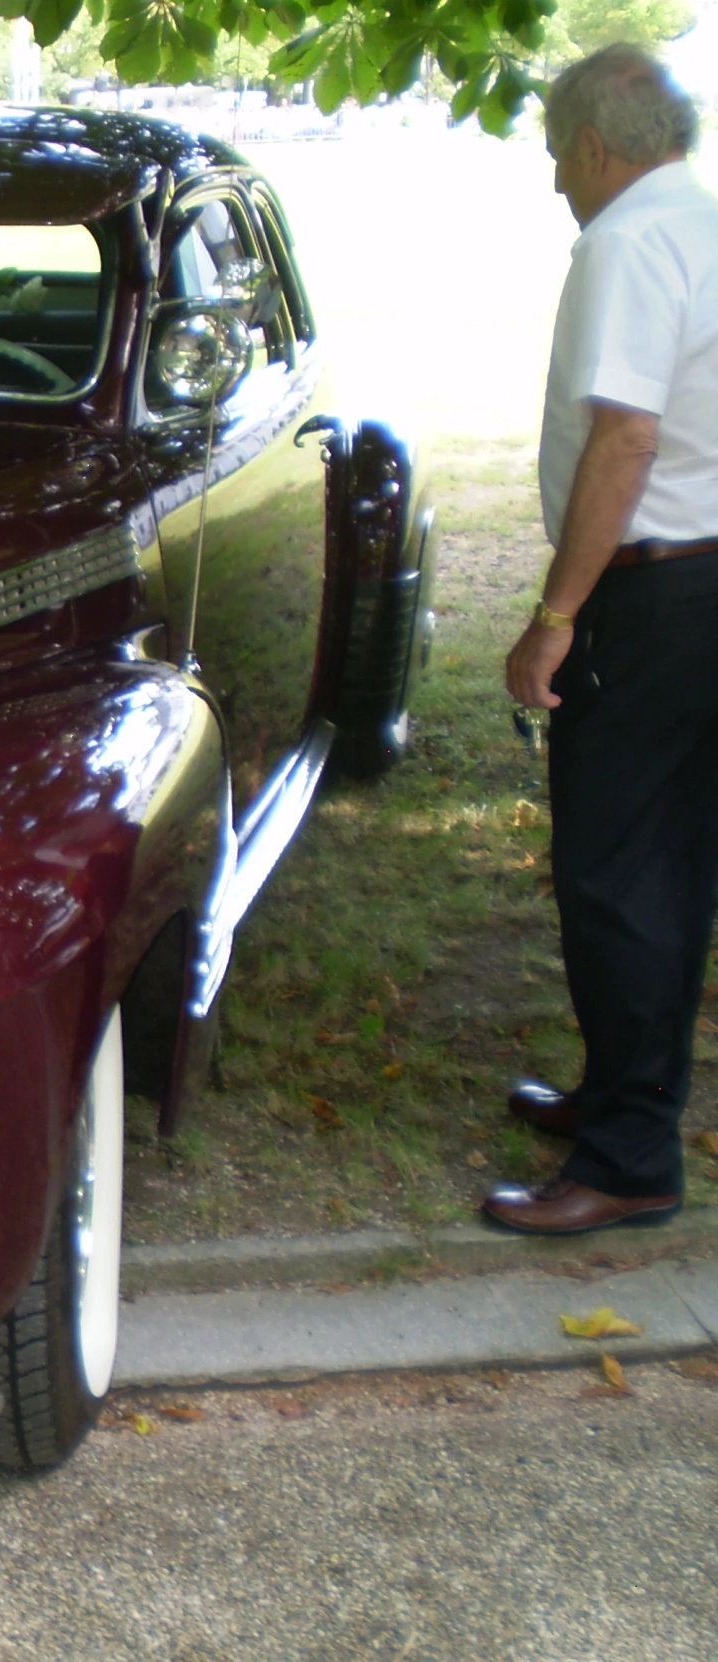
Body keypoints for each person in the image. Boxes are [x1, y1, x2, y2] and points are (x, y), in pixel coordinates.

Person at [490, 46, 718, 1235]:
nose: (552, 183)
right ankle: (619, 1099)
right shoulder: (703, 221)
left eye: (549, 155)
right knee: (672, 866)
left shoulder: (626, 241)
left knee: (615, 873)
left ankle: (628, 1158)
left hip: (650, 593)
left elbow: (622, 440)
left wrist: (554, 614)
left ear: (590, 143)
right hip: (705, 581)